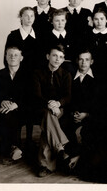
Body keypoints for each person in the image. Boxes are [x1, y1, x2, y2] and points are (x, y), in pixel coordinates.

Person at [32, 44, 72, 177]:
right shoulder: (38, 73)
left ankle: (44, 165)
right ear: (48, 56)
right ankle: (60, 148)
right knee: (48, 115)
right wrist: (49, 104)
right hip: (41, 108)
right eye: (54, 55)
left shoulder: (66, 75)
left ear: (62, 60)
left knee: (48, 124)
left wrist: (58, 103)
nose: (57, 59)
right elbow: (36, 95)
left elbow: (68, 96)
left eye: (60, 57)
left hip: (59, 110)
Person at [60, 49, 100, 172]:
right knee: (64, 125)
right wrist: (74, 113)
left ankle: (80, 158)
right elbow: (68, 99)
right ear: (77, 61)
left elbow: (99, 103)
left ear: (91, 62)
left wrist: (86, 114)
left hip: (90, 115)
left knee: (90, 131)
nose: (83, 62)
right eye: (81, 59)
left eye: (87, 59)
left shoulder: (98, 79)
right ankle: (69, 157)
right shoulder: (70, 77)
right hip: (73, 114)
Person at [0, 46, 31, 164]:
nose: (12, 57)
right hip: (4, 109)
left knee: (10, 115)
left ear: (21, 58)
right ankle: (13, 148)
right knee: (5, 114)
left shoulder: (28, 75)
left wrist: (16, 104)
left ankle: (8, 149)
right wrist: (1, 101)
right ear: (6, 57)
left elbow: (30, 97)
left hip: (22, 109)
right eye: (10, 55)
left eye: (16, 55)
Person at [84, 9, 107, 75]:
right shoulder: (87, 35)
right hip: (90, 69)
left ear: (106, 20)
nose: (99, 22)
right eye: (96, 19)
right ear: (93, 20)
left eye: (102, 19)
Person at [44, 9, 75, 74]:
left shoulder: (72, 36)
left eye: (62, 20)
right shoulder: (45, 37)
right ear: (51, 21)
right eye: (57, 21)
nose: (60, 23)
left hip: (69, 70)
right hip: (50, 70)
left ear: (66, 21)